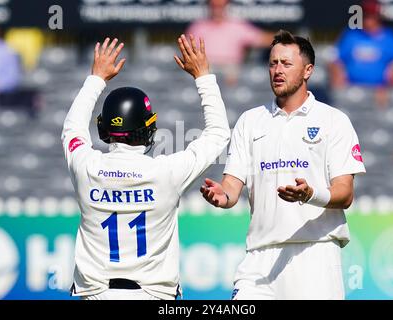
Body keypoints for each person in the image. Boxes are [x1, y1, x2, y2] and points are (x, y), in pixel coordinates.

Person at [200, 29, 366, 300]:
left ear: (307, 71)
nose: (277, 70)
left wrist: (311, 194)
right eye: (273, 63)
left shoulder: (333, 120)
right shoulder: (250, 121)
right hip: (259, 256)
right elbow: (232, 185)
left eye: (286, 64)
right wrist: (223, 195)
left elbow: (345, 193)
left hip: (315, 253)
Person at [61, 35, 230, 300]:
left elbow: (71, 129)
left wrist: (96, 78)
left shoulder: (85, 166)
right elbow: (218, 133)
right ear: (147, 129)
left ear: (104, 128)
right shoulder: (166, 172)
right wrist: (203, 76)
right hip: (153, 295)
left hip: (95, 294)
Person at [329, 0, 393, 108]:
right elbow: (335, 59)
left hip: (381, 91)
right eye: (365, 16)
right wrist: (339, 78)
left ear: (378, 17)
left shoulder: (389, 36)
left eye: (371, 16)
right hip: (352, 89)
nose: (368, 20)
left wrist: (390, 83)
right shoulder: (351, 34)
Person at [186, 0, 273, 86]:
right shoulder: (198, 27)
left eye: (220, 6)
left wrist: (284, 38)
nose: (217, 9)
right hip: (206, 71)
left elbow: (264, 39)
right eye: (214, 6)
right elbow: (187, 53)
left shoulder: (237, 25)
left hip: (232, 73)